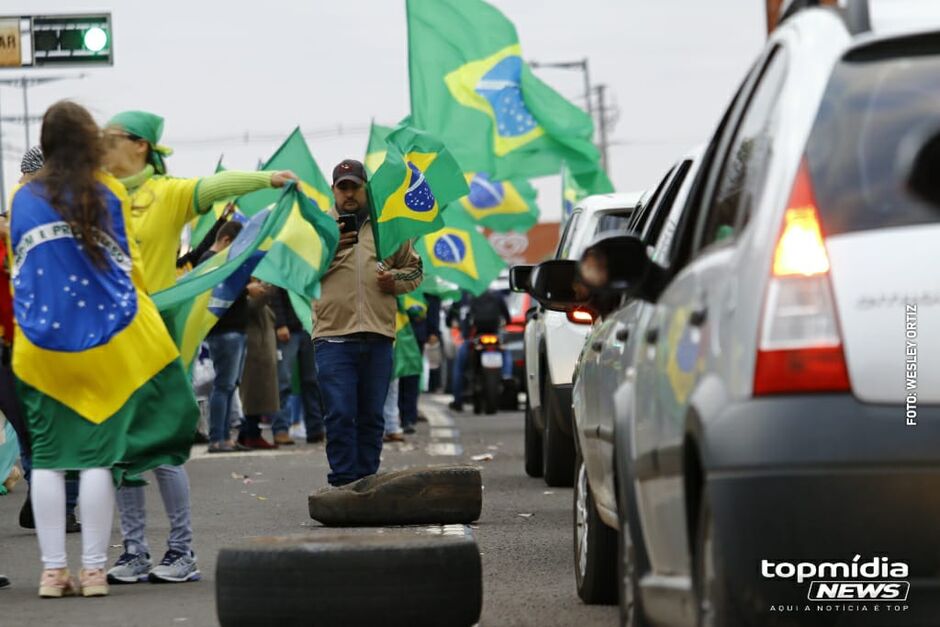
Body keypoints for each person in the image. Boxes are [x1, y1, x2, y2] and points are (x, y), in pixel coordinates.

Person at [10, 101, 198, 598]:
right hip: (104, 342)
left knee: (48, 459)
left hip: (40, 348)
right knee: (97, 459)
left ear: (46, 144)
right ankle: (94, 571)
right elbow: (130, 272)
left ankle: (53, 573)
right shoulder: (108, 191)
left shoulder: (24, 196)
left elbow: (21, 271)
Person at [101, 109, 296, 585]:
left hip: (158, 337)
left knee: (162, 445)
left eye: (112, 138)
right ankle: (134, 552)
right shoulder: (96, 196)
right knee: (121, 451)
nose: (102, 145)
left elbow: (216, 187)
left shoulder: (166, 195)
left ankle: (181, 551)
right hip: (109, 340)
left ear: (140, 145)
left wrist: (270, 178)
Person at [314, 159, 423, 486]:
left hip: (378, 335)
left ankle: (367, 482)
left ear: (365, 189)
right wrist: (331, 251)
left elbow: (415, 271)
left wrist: (395, 281)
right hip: (333, 337)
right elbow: (300, 273)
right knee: (340, 413)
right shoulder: (318, 229)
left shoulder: (387, 227)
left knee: (372, 415)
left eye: (354, 186)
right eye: (342, 187)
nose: (348, 193)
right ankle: (344, 482)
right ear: (333, 190)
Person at [10, 147, 83, 533]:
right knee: (53, 429)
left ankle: (43, 500)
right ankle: (55, 506)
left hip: (23, 343)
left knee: (31, 429)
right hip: (34, 344)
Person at [198, 221, 254, 453]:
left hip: (235, 330)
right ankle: (217, 439)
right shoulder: (209, 260)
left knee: (230, 386)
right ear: (227, 241)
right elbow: (220, 293)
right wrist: (247, 289)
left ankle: (225, 437)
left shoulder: (218, 260)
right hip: (224, 331)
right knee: (223, 386)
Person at [271, 287, 324, 445]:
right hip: (289, 329)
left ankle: (315, 429)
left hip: (309, 328)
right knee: (283, 381)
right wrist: (280, 323)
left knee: (312, 381)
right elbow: (276, 294)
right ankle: (281, 429)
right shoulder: (283, 265)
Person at [448, 289, 513, 411]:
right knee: (506, 352)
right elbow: (508, 318)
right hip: (494, 337)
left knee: (459, 367)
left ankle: (458, 400)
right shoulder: (496, 296)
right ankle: (506, 375)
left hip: (473, 339)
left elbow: (450, 320)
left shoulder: (462, 297)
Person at [237, 281, 280, 450]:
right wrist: (273, 282)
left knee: (257, 394)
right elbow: (257, 303)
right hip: (255, 349)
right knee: (252, 394)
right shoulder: (245, 297)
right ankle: (250, 434)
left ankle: (250, 433)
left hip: (260, 349)